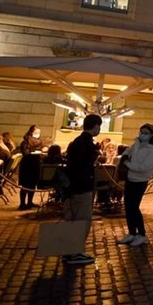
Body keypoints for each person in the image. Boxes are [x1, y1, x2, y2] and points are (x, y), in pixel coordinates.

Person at [62, 114, 102, 266]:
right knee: (82, 219)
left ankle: (69, 250)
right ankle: (75, 252)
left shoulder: (77, 141)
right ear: (96, 126)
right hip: (82, 186)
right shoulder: (87, 143)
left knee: (71, 219)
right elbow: (84, 166)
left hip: (72, 187)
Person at [117, 123, 153, 247]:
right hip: (130, 178)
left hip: (141, 180)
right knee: (128, 206)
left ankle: (142, 234)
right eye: (141, 132)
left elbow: (144, 167)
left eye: (146, 133)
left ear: (152, 135)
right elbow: (129, 149)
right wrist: (125, 154)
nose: (142, 135)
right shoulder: (137, 143)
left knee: (134, 207)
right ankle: (132, 232)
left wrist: (127, 163)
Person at [17, 125, 45, 211]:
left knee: (32, 185)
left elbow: (43, 147)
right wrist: (33, 152)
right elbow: (25, 152)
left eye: (38, 133)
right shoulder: (25, 141)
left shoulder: (40, 141)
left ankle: (30, 202)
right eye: (36, 132)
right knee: (25, 185)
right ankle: (22, 204)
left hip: (35, 165)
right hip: (27, 165)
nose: (38, 134)